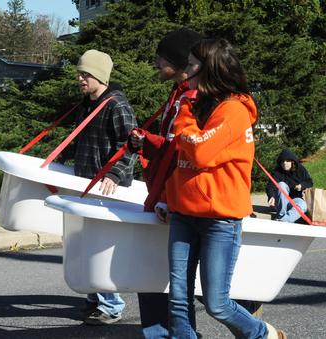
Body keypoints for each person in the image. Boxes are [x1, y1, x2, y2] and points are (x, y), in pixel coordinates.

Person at [165, 38, 286, 338]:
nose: (186, 70)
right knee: (178, 297)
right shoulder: (196, 103)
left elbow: (201, 152)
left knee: (217, 304)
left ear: (210, 70)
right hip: (183, 213)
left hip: (220, 219)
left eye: (192, 65)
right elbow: (185, 151)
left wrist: (183, 118)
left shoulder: (234, 110)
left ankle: (261, 334)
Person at [128, 27, 201, 339]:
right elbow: (172, 146)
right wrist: (146, 142)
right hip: (162, 194)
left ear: (179, 62)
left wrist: (168, 199)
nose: (155, 62)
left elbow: (188, 153)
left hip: (175, 199)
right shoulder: (178, 93)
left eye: (162, 57)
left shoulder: (195, 97)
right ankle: (158, 334)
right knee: (152, 273)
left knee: (174, 278)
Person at [72, 49, 138, 325]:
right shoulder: (89, 103)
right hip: (88, 185)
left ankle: (111, 305)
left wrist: (113, 174)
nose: (80, 78)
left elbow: (133, 145)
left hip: (108, 188)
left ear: (99, 75)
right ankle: (94, 297)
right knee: (85, 243)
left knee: (99, 247)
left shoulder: (116, 106)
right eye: (80, 73)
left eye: (85, 74)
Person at [266, 148, 313, 222]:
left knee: (303, 206)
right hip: (280, 202)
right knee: (281, 184)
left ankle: (283, 220)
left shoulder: (300, 169)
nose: (284, 163)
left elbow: (309, 182)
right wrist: (271, 196)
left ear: (292, 162)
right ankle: (280, 215)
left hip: (295, 200)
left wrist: (301, 185)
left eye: (287, 161)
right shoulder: (277, 172)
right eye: (282, 161)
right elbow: (271, 186)